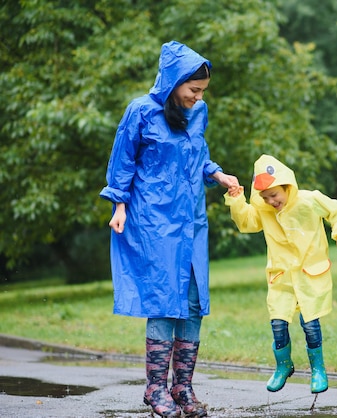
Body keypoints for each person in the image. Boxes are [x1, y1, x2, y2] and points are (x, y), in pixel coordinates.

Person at [100, 40, 239, 418]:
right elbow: (123, 161)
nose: (198, 97)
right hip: (153, 221)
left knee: (193, 302)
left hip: (191, 221)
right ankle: (155, 388)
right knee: (164, 300)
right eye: (193, 89)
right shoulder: (141, 111)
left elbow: (199, 155)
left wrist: (218, 174)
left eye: (202, 91)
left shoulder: (199, 112)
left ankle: (183, 387)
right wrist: (119, 204)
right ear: (174, 82)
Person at [224, 154, 337, 394]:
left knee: (310, 323)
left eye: (274, 195)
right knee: (277, 323)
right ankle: (283, 365)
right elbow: (246, 222)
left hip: (310, 273)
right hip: (281, 277)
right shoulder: (264, 211)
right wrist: (237, 201)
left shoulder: (309, 200)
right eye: (264, 197)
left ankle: (318, 369)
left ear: (287, 186)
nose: (271, 201)